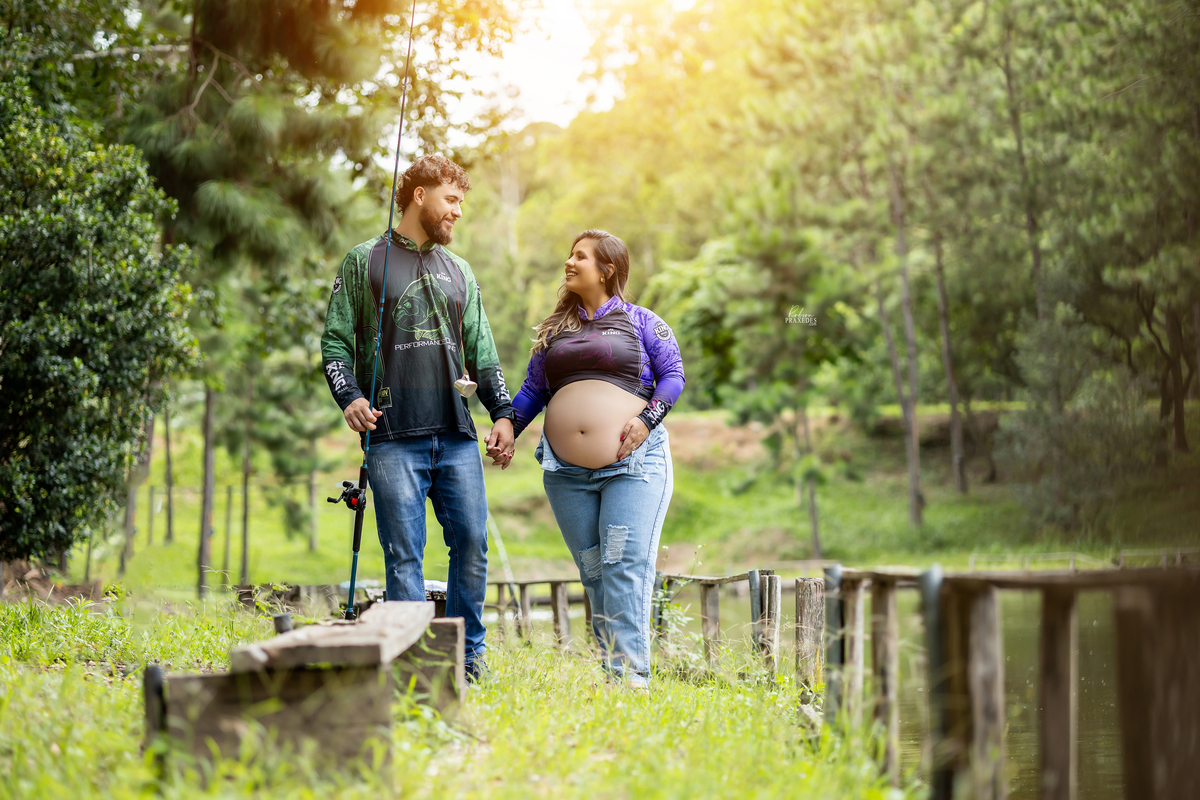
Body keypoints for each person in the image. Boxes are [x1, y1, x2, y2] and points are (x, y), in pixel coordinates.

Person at [321, 154, 516, 678]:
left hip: (456, 433)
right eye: (451, 200)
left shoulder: (461, 271)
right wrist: (351, 398)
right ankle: (415, 669)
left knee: (472, 546)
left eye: (461, 202)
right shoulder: (364, 261)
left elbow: (483, 349)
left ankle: (469, 661)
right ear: (420, 195)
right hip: (391, 436)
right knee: (404, 557)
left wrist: (503, 414)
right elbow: (336, 343)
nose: (458, 212)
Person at [510, 229, 685, 688]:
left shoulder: (641, 321)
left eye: (580, 257)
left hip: (633, 465)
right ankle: (615, 674)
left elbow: (673, 376)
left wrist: (647, 421)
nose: (570, 263)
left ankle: (631, 681)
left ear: (607, 269)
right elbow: (533, 391)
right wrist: (508, 425)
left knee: (623, 563)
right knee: (594, 571)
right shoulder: (554, 332)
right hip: (566, 474)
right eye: (570, 255)